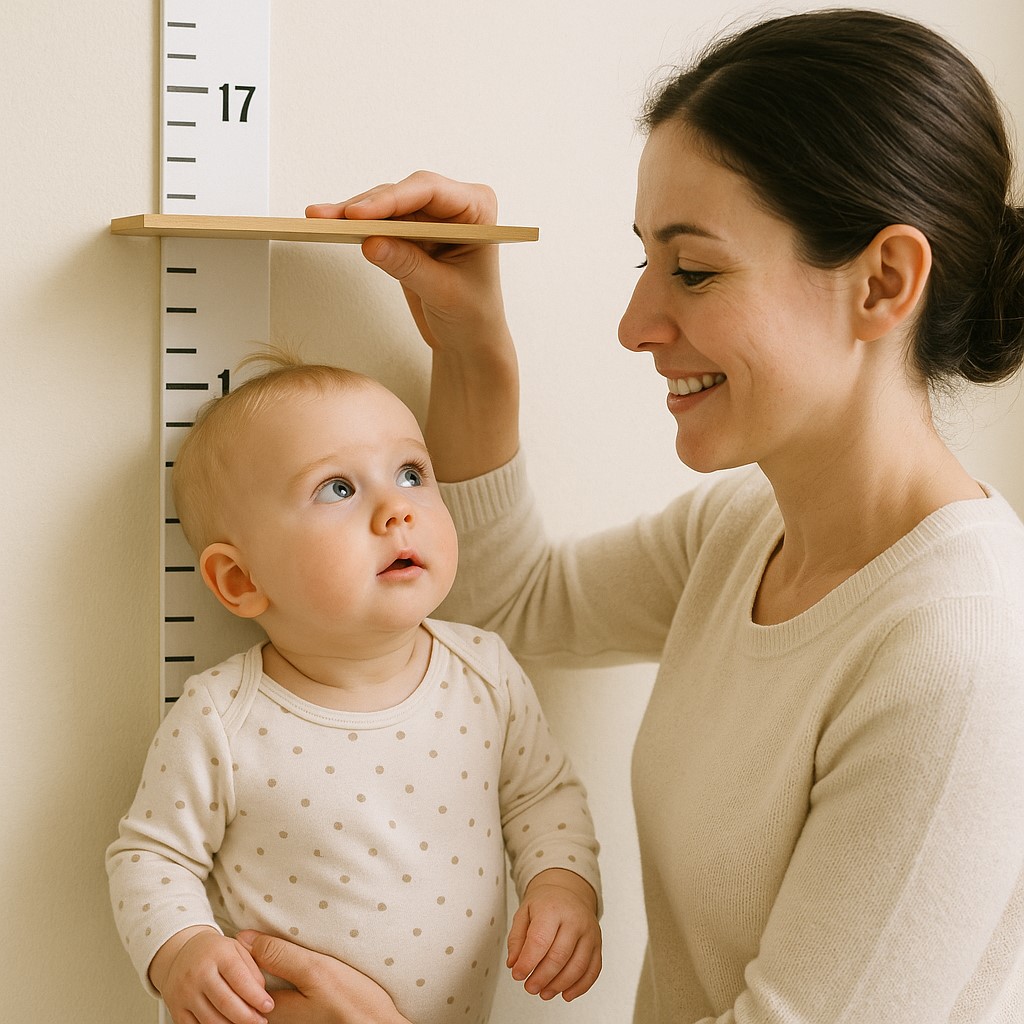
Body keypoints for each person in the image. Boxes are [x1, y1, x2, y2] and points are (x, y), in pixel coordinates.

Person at [222, 8, 1024, 1024]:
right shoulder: (741, 531)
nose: (636, 323)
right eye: (642, 261)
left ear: (883, 281)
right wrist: (472, 344)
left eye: (692, 269)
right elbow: (502, 597)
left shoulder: (965, 656)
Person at [105, 355, 602, 1024]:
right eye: (337, 488)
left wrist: (563, 883)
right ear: (241, 581)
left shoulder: (485, 673)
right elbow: (151, 853)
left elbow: (542, 798)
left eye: (411, 473)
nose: (397, 508)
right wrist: (181, 948)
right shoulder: (224, 717)